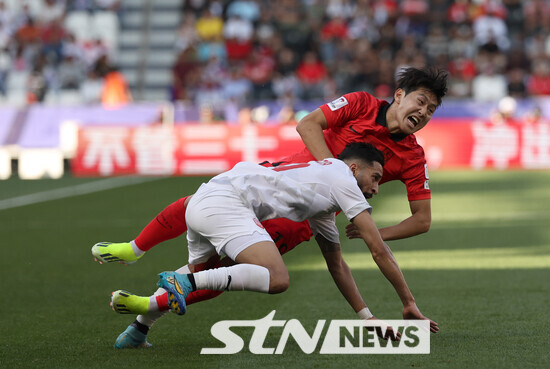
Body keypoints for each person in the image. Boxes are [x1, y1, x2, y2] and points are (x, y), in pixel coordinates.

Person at [92, 66, 448, 348]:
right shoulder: (360, 108)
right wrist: (333, 171)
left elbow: (421, 221)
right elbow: (308, 123)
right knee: (253, 275)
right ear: (399, 95)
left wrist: (367, 311)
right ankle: (142, 266)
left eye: (431, 109)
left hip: (294, 213)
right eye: (420, 101)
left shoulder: (412, 156)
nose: (423, 111)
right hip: (276, 188)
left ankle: (141, 317)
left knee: (216, 264)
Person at [101, 142, 438, 348]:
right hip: (226, 202)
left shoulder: (321, 193)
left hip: (204, 199)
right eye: (375, 178)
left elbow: (337, 265)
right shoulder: (341, 176)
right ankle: (175, 278)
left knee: (208, 276)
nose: (376, 188)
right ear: (354, 169)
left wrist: (367, 319)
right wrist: (408, 303)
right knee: (276, 278)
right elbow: (378, 247)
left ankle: (137, 330)